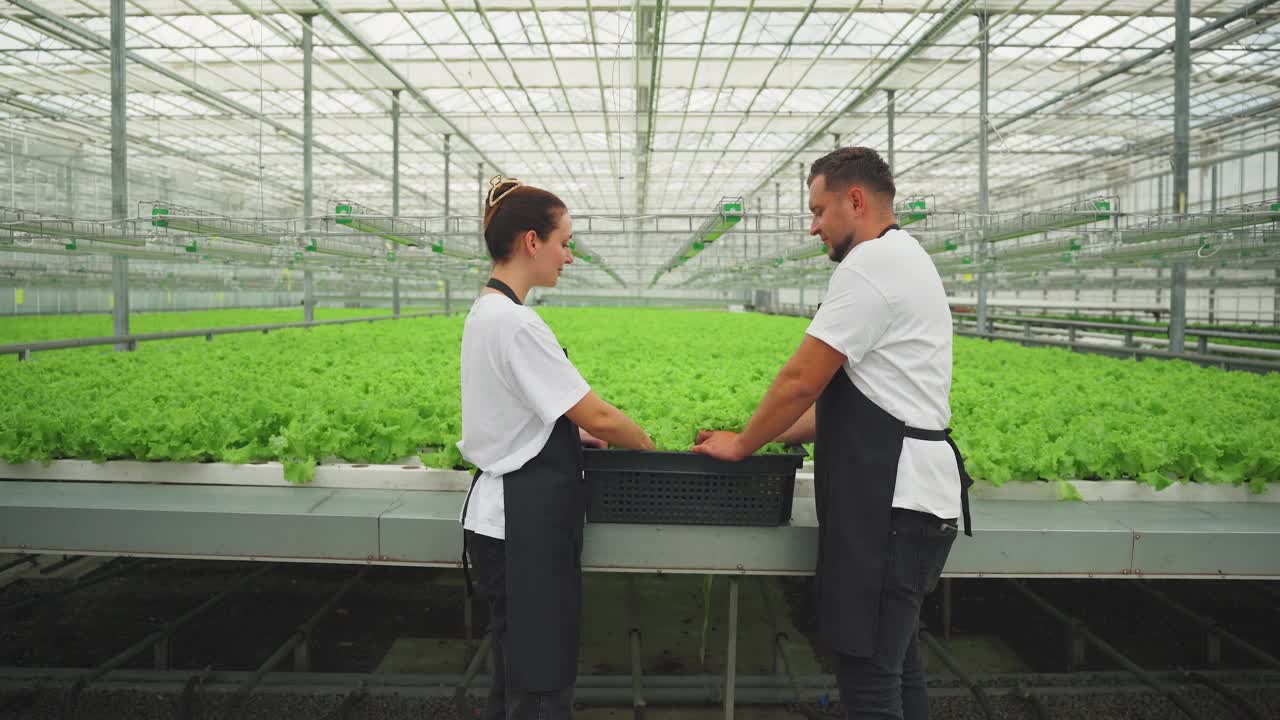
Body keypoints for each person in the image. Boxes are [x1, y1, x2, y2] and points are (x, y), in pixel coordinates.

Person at [692, 148, 973, 720]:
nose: (813, 225)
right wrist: (763, 437)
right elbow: (846, 407)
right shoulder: (905, 258)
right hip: (912, 502)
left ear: (855, 200)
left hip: (890, 506)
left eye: (819, 210)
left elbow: (801, 380)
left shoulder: (870, 265)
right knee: (897, 670)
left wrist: (744, 444)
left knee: (870, 683)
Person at [458, 175, 655, 720]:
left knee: (516, 674)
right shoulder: (517, 323)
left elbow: (535, 413)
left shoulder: (486, 312)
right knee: (540, 682)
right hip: (522, 526)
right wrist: (643, 442)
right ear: (530, 242)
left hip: (503, 521)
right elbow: (596, 414)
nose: (569, 256)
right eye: (564, 242)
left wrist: (568, 431)